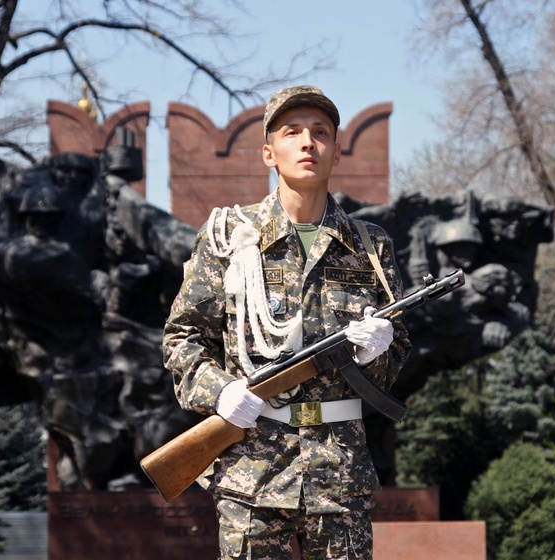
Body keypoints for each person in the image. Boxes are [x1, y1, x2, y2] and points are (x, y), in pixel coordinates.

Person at [163, 85, 412, 560]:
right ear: (268, 153)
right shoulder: (228, 237)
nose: (307, 143)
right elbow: (183, 339)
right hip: (252, 471)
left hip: (339, 476)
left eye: (321, 133)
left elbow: (395, 357)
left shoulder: (370, 248)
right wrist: (219, 391)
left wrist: (379, 350)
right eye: (292, 131)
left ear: (337, 153)